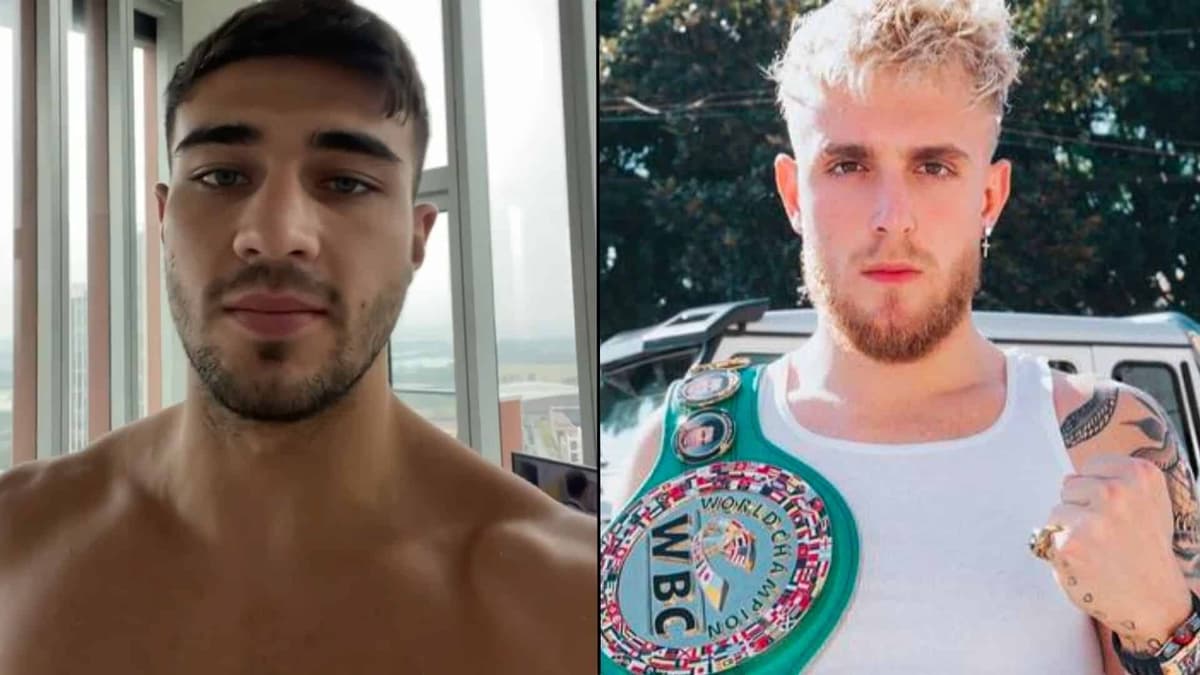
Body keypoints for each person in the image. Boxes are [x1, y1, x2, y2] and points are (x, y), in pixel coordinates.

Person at [604, 1, 1200, 673]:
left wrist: (1166, 620)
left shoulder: (1104, 437)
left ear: (989, 197)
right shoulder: (683, 452)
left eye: (934, 167)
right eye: (849, 165)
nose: (893, 217)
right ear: (793, 193)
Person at [0, 2, 594, 673]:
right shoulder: (17, 541)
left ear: (417, 237)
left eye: (345, 181)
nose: (276, 233)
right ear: (165, 219)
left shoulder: (574, 602)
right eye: (222, 175)